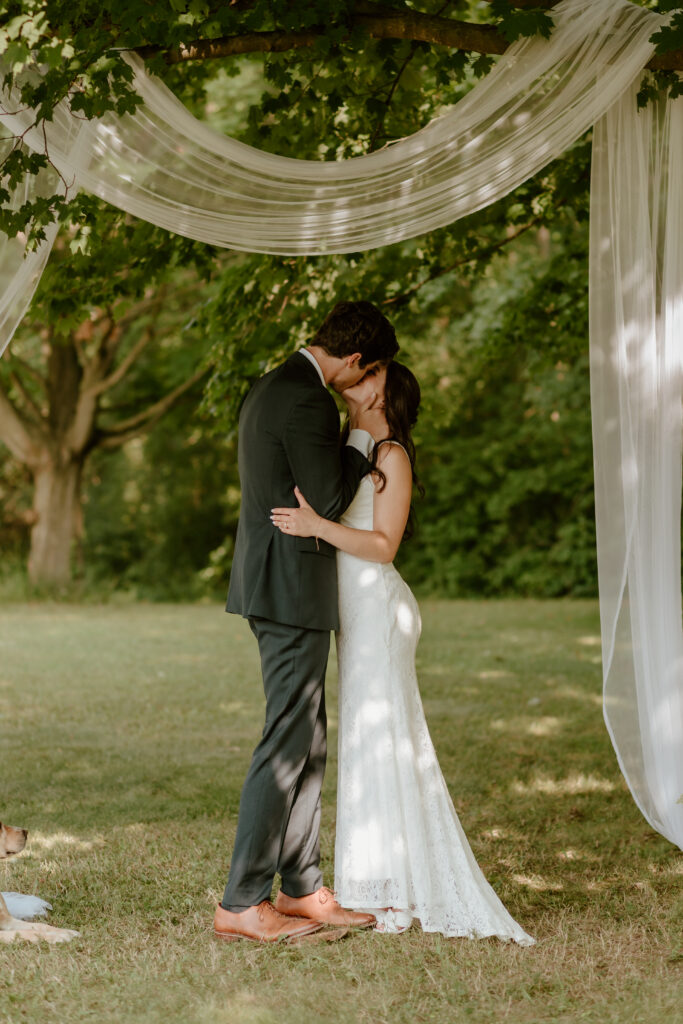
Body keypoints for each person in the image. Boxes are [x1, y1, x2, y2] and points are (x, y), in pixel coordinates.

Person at [271, 362, 535, 944]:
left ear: (385, 398)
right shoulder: (351, 446)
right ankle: (374, 881)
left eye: (370, 379)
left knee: (384, 738)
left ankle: (390, 888)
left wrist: (317, 524)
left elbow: (384, 545)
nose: (356, 383)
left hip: (381, 614)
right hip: (355, 615)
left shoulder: (392, 456)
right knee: (366, 739)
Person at [214, 301, 399, 944]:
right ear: (354, 361)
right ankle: (241, 901)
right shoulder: (310, 400)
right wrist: (360, 437)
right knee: (286, 742)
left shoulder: (270, 383)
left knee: (308, 741)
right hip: (289, 590)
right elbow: (325, 497)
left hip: (275, 585)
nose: (366, 385)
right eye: (368, 372)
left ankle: (298, 889)